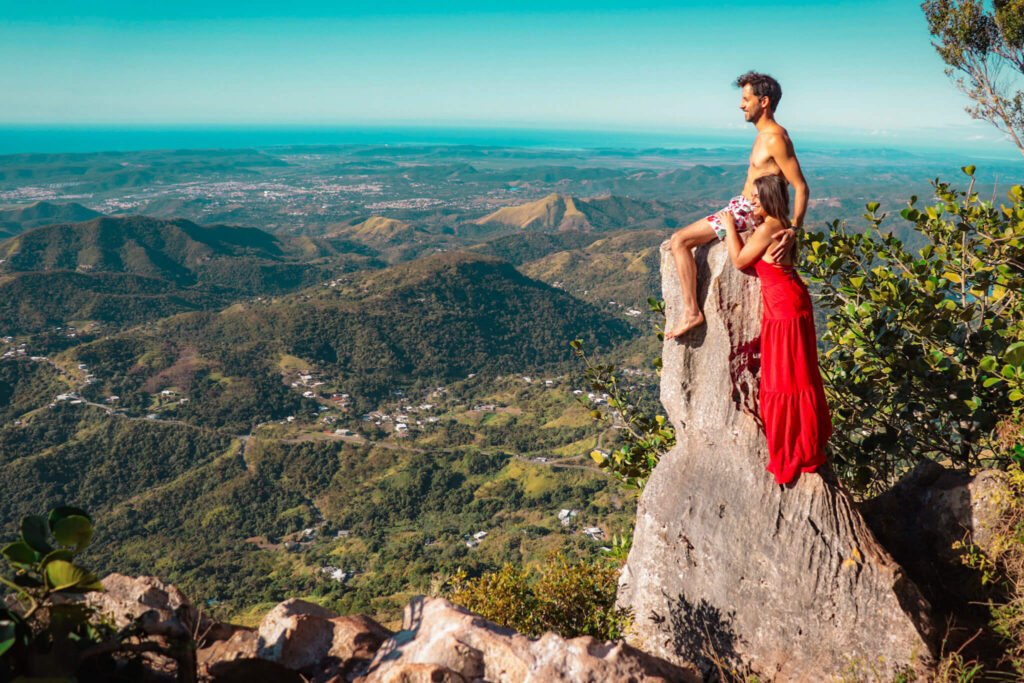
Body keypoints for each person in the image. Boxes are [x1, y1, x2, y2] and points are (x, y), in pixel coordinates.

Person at [664, 71, 809, 340]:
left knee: (679, 241)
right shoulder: (764, 135)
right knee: (679, 240)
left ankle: (692, 313)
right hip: (742, 205)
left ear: (763, 102)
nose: (741, 105)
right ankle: (692, 311)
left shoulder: (775, 138)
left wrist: (794, 228)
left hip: (747, 212)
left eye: (746, 99)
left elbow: (800, 186)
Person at [716, 174, 830, 485]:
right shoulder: (780, 223)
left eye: (756, 197)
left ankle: (794, 445)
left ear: (769, 198)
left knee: (785, 378)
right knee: (799, 373)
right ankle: (806, 437)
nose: (751, 201)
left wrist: (728, 225)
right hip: (789, 301)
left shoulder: (770, 227)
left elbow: (740, 260)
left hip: (784, 309)